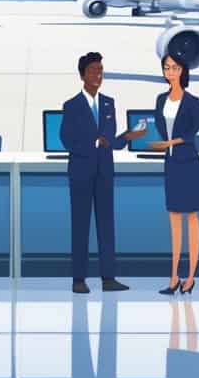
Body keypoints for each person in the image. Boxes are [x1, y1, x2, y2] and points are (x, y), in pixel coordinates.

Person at [60, 51, 147, 294]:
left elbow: (111, 141)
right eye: (93, 71)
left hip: (105, 172)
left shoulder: (109, 103)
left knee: (106, 225)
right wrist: (95, 143)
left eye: (100, 70)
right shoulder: (72, 105)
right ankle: (79, 279)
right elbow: (67, 139)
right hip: (81, 171)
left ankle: (108, 277)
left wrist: (129, 136)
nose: (98, 75)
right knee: (80, 225)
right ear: (82, 75)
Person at [147, 52, 199, 296]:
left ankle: (190, 277)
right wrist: (165, 144)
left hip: (188, 161)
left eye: (174, 68)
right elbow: (160, 128)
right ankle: (173, 277)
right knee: (173, 220)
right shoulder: (160, 99)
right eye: (166, 67)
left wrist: (171, 142)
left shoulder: (193, 101)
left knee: (190, 217)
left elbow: (194, 131)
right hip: (170, 162)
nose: (170, 72)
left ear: (183, 70)